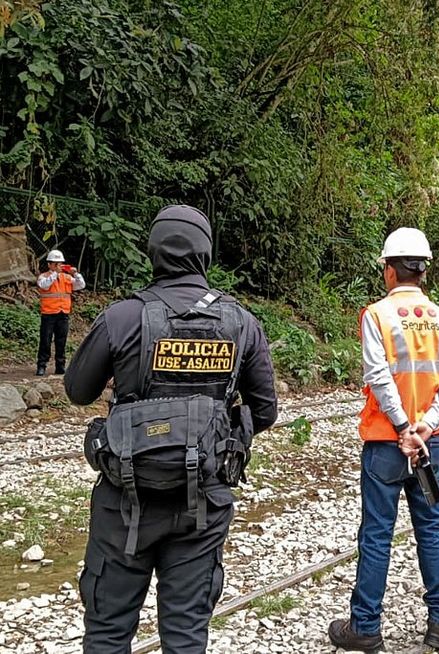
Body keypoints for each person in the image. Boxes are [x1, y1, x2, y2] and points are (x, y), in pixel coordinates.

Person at [63, 205, 278, 653]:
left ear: (154, 252)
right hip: (202, 501)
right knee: (185, 635)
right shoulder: (241, 323)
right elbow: (266, 411)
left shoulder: (121, 317)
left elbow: (78, 391)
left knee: (107, 632)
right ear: (205, 253)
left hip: (124, 497)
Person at [329, 227, 439, 651]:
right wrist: (425, 426)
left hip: (387, 444)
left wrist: (404, 427)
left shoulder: (377, 315)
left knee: (375, 534)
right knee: (431, 529)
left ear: (390, 270)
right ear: (423, 271)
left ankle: (366, 628)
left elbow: (378, 376)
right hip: (432, 445)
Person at [36, 249, 86, 376]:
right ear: (49, 264)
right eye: (55, 263)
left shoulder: (66, 277)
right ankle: (41, 365)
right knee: (45, 341)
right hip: (48, 314)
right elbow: (45, 285)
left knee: (61, 341)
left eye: (60, 263)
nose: (58, 265)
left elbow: (81, 285)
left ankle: (60, 366)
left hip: (63, 313)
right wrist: (54, 274)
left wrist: (76, 274)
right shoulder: (44, 277)